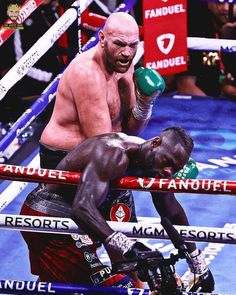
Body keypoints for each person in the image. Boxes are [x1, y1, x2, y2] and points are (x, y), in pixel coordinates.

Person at [38, 12, 214, 292]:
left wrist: (145, 104)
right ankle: (120, 273)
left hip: (109, 157)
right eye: (120, 44)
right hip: (67, 159)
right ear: (102, 39)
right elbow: (104, 142)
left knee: (135, 196)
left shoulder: (125, 66)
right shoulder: (87, 73)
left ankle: (135, 276)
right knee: (92, 239)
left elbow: (130, 130)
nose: (127, 52)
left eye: (133, 45)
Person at [21, 127, 192, 288]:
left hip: (82, 223)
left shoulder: (153, 166)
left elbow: (171, 209)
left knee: (62, 281)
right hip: (52, 218)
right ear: (155, 143)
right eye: (167, 162)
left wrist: (197, 261)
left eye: (174, 169)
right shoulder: (113, 152)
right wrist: (126, 245)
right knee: (116, 287)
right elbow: (81, 207)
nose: (168, 171)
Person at [175, 2, 236, 98]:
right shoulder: (195, 30)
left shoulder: (231, 31)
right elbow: (185, 86)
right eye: (219, 2)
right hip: (201, 105)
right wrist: (216, 109)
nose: (225, 8)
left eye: (231, 2)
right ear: (208, 3)